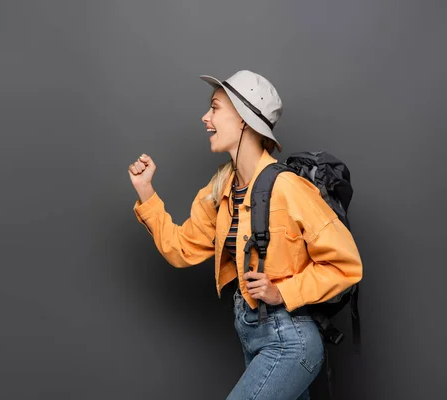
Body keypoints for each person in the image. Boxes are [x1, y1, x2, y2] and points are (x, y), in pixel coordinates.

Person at [127, 70, 363, 400]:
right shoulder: (221, 189)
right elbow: (180, 248)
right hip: (252, 335)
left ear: (243, 119)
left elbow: (346, 266)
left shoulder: (289, 188)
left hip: (290, 341)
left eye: (215, 108)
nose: (205, 118)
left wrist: (283, 292)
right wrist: (146, 193)